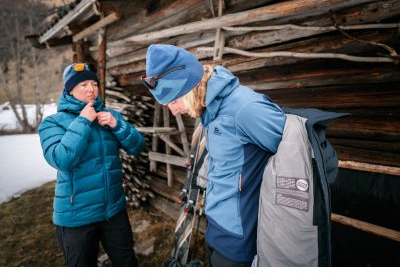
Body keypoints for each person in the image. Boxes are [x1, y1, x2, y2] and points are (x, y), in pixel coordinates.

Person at [142, 44, 286, 266]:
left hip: (241, 241)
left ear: (190, 85)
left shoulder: (245, 109)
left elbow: (300, 158)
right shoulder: (208, 111)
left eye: (174, 101)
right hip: (217, 228)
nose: (173, 111)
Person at [38, 63, 145, 266]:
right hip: (76, 216)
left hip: (113, 211)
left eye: (94, 83)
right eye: (83, 85)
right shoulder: (52, 123)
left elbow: (137, 146)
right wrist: (83, 122)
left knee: (128, 263)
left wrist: (117, 125)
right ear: (70, 90)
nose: (91, 89)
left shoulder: (110, 116)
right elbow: (61, 159)